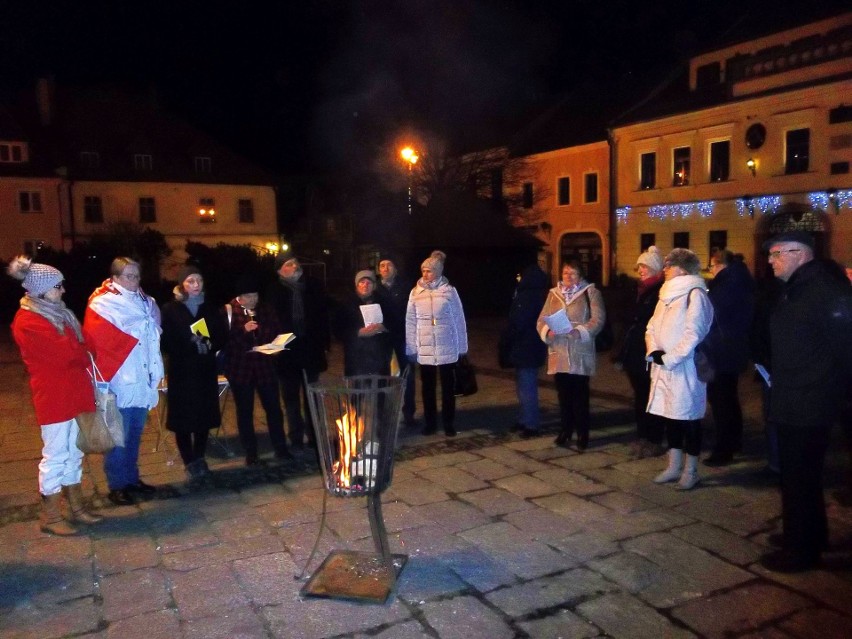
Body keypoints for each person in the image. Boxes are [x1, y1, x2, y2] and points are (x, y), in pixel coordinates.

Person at [759, 231, 852, 573]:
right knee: (800, 477)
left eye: (777, 253)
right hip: (795, 396)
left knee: (799, 477)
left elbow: (846, 344)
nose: (770, 260)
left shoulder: (824, 290)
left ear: (800, 253)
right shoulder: (799, 287)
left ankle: (802, 551)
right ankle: (809, 535)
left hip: (810, 400)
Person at [8, 256, 101, 535]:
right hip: (55, 396)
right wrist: (80, 351)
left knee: (74, 451)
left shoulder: (61, 314)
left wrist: (80, 351)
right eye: (57, 286)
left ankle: (76, 505)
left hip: (75, 391)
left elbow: (88, 345)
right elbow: (66, 353)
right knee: (55, 454)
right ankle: (49, 514)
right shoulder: (28, 320)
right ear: (41, 289)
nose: (62, 290)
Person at [83, 257, 164, 505]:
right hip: (118, 379)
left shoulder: (146, 303)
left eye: (137, 276)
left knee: (135, 433)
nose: (134, 281)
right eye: (128, 276)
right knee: (118, 434)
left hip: (141, 378)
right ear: (115, 278)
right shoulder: (103, 304)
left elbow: (153, 334)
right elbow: (101, 343)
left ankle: (132, 479)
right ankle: (117, 484)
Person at [645, 249, 714, 490]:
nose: (665, 269)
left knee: (689, 418)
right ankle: (673, 466)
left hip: (686, 368)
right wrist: (654, 350)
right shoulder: (666, 295)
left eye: (669, 265)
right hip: (664, 367)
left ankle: (691, 470)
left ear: (683, 269)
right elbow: (651, 326)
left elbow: (694, 333)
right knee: (671, 417)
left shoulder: (695, 295)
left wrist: (671, 358)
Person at [160, 265, 227, 480]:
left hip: (204, 370)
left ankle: (199, 457)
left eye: (198, 280)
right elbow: (165, 340)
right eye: (190, 281)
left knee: (203, 417)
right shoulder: (170, 309)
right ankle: (188, 460)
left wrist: (209, 343)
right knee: (183, 418)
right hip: (182, 371)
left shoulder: (210, 308)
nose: (196, 285)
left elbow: (221, 335)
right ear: (182, 284)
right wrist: (189, 343)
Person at [220, 275, 291, 466]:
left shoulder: (265, 309)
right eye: (248, 296)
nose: (253, 300)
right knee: (245, 411)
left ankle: (281, 447)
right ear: (239, 297)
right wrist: (243, 331)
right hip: (240, 369)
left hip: (264, 366)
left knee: (274, 409)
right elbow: (223, 340)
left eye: (255, 295)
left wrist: (275, 346)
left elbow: (277, 330)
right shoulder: (229, 311)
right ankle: (251, 453)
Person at [537, 261, 606, 452]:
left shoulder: (590, 293)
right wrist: (547, 331)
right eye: (566, 272)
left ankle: (583, 433)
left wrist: (581, 331)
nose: (568, 276)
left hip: (578, 350)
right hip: (558, 350)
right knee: (563, 394)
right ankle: (565, 430)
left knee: (580, 395)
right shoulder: (553, 294)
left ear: (581, 275)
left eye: (573, 273)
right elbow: (541, 319)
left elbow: (598, 320)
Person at [266, 256, 330, 451]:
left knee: (312, 396)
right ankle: (295, 436)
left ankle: (314, 435)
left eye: (295, 262)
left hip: (310, 349)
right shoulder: (275, 292)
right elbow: (270, 322)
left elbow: (323, 315)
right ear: (280, 271)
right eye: (289, 264)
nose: (295, 266)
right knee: (291, 398)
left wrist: (324, 343)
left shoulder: (313, 286)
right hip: (287, 352)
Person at [406, 250, 468, 437]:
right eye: (423, 270)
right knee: (427, 388)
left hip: (446, 346)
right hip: (425, 348)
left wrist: (462, 347)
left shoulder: (449, 291)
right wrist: (411, 347)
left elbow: (459, 319)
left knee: (448, 388)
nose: (425, 274)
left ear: (439, 271)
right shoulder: (415, 292)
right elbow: (410, 321)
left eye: (430, 271)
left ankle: (449, 422)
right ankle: (430, 423)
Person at [703, 250, 755, 467]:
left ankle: (724, 448)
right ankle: (734, 441)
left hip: (723, 349)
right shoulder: (739, 279)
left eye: (712, 267)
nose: (711, 271)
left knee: (721, 401)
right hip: (732, 348)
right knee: (729, 398)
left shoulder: (728, 284)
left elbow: (713, 313)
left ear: (720, 265)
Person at [616, 246, 665, 459]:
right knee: (639, 397)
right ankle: (643, 436)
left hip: (649, 352)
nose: (641, 270)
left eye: (644, 266)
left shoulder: (660, 291)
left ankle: (654, 438)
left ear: (655, 268)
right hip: (634, 351)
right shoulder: (639, 290)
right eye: (639, 266)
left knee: (651, 397)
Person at [504, 264, 549, 438]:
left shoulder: (528, 296)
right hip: (530, 346)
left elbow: (520, 321)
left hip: (526, 346)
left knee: (527, 386)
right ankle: (525, 419)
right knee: (524, 385)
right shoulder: (535, 294)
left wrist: (511, 333)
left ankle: (531, 423)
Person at [378, 257, 416, 425]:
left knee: (408, 375)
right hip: (383, 339)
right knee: (383, 376)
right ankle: (385, 413)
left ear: (396, 269)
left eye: (389, 265)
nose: (385, 268)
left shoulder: (406, 287)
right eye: (382, 265)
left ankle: (409, 413)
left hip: (403, 336)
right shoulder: (375, 288)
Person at [334, 270, 392, 376]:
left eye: (369, 283)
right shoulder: (346, 303)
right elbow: (338, 329)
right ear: (357, 284)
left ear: (374, 285)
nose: (365, 285)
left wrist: (384, 327)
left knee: (379, 389)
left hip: (379, 356)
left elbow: (393, 321)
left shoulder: (383, 301)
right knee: (358, 390)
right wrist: (358, 333)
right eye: (362, 282)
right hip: (356, 357)